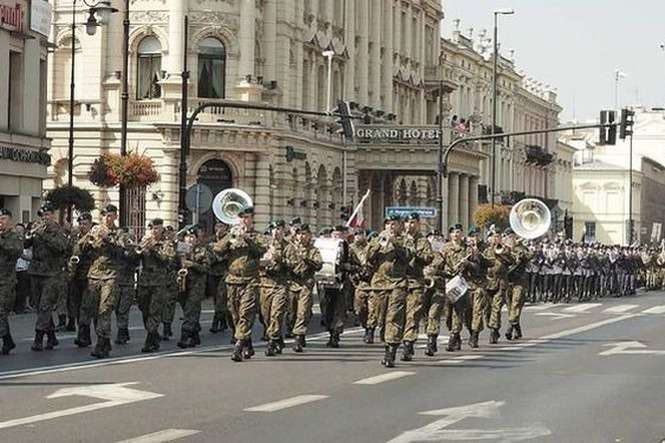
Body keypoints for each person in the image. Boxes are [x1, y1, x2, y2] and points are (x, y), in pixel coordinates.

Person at [79, 204, 135, 358]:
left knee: (105, 310)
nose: (106, 218)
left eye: (110, 215)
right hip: (94, 276)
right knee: (94, 311)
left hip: (111, 276)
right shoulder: (95, 230)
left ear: (115, 216)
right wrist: (88, 237)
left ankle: (102, 343)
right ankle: (104, 340)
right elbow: (79, 249)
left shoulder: (120, 233)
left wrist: (107, 238)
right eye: (104, 215)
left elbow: (124, 251)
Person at [213, 207, 267, 362]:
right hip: (232, 281)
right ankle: (247, 343)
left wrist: (247, 239)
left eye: (247, 217)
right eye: (242, 218)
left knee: (245, 313)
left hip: (250, 281)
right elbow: (217, 250)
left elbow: (261, 251)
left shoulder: (257, 237)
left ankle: (237, 347)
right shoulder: (231, 236)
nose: (244, 220)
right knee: (234, 315)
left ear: (252, 220)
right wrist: (230, 238)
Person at [366, 215, 410, 368]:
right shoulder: (377, 240)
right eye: (388, 224)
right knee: (381, 319)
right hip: (379, 285)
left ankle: (390, 353)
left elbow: (408, 257)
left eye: (394, 224)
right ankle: (387, 345)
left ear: (400, 226)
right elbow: (367, 258)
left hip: (397, 284)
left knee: (393, 318)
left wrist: (394, 244)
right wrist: (378, 245)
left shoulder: (405, 240)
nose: (391, 227)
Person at [27, 203, 70, 352]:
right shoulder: (38, 229)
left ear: (53, 215)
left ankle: (38, 339)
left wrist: (43, 236)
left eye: (47, 215)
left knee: (45, 305)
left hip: (52, 274)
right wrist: (30, 233)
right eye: (42, 215)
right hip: (36, 272)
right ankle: (51, 336)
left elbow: (61, 248)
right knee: (40, 307)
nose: (44, 218)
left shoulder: (59, 231)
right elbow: (25, 244)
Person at [137, 218, 176, 353]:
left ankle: (149, 340)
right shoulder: (145, 241)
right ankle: (154, 335)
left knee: (155, 311)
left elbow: (167, 259)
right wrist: (141, 249)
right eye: (152, 228)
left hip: (159, 282)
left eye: (157, 228)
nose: (154, 231)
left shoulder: (167, 244)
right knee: (144, 310)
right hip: (144, 281)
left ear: (162, 229)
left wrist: (153, 249)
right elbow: (133, 257)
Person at [285, 224, 323, 352]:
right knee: (291, 313)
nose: (302, 236)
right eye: (299, 234)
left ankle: (298, 336)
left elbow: (318, 265)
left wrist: (306, 259)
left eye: (304, 234)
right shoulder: (290, 248)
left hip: (305, 284)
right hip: (292, 284)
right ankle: (294, 330)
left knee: (303, 311)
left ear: (309, 235)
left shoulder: (313, 250)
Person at [401, 213, 434, 361]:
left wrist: (414, 254)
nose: (409, 226)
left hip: (415, 282)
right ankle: (396, 341)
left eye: (413, 222)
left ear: (418, 224)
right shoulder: (399, 239)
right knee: (396, 316)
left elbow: (428, 258)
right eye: (407, 223)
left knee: (412, 315)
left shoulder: (423, 241)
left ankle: (408, 343)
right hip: (398, 283)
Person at [176, 225, 211, 348]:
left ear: (197, 239)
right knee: (188, 310)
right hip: (183, 284)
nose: (189, 240)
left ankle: (185, 336)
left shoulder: (202, 251)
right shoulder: (181, 250)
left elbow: (206, 268)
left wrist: (193, 264)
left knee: (191, 309)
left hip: (197, 285)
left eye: (192, 237)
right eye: (187, 237)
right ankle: (195, 335)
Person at [259, 220, 290, 356]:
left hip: (280, 286)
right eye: (273, 229)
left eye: (279, 229)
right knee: (266, 317)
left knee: (276, 315)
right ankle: (277, 337)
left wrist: (279, 258)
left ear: (283, 231)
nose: (276, 232)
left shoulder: (289, 247)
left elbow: (294, 265)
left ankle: (272, 342)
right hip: (265, 284)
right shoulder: (265, 245)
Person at [0, 209, 23, 355]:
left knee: (0, 312)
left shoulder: (14, 236)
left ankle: (6, 340)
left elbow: (16, 251)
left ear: (10, 220)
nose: (0, 221)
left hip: (6, 281)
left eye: (3, 218)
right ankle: (7, 340)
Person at [68, 213, 93, 334]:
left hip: (88, 275)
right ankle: (81, 330)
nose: (82, 226)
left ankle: (84, 334)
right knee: (76, 305)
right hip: (75, 274)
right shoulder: (74, 237)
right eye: (80, 224)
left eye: (85, 224)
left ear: (90, 224)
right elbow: (68, 252)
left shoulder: (93, 238)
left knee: (86, 306)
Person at [208, 222, 230, 334]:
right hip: (213, 272)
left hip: (225, 272)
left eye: (221, 226)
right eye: (217, 226)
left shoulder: (229, 239)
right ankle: (223, 321)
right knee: (216, 298)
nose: (218, 229)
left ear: (226, 227)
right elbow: (208, 255)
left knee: (221, 297)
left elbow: (229, 255)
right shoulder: (211, 240)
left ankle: (215, 322)